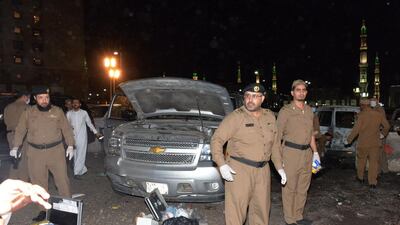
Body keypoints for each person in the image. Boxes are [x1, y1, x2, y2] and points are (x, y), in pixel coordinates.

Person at [211, 83, 286, 225]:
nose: (250, 100)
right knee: (236, 213)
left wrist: (279, 167)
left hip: (263, 171)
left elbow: (275, 144)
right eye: (247, 96)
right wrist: (221, 164)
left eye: (255, 96)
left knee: (261, 211)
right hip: (239, 170)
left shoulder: (270, 116)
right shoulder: (236, 117)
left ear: (263, 98)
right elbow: (216, 140)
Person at [10, 86, 75, 221]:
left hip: (55, 152)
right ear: (35, 99)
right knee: (39, 184)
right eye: (41, 98)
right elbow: (21, 129)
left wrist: (70, 145)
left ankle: (68, 209)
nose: (44, 100)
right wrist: (15, 147)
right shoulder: (28, 112)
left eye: (46, 97)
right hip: (35, 153)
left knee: (62, 181)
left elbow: (66, 129)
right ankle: (43, 210)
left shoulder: (57, 111)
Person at [277, 79, 320, 225]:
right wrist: (279, 159)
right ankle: (289, 219)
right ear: (292, 93)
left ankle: (298, 216)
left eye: (303, 90)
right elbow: (277, 137)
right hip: (290, 153)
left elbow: (310, 135)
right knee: (290, 188)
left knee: (303, 187)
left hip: (307, 153)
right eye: (298, 90)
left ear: (306, 92)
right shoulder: (285, 111)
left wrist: (315, 153)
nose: (301, 92)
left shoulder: (309, 111)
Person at [346, 98, 390, 189]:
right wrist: (383, 134)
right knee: (374, 163)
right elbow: (387, 126)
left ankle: (360, 178)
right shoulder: (378, 115)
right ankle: (373, 182)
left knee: (361, 161)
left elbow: (356, 130)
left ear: (362, 105)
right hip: (375, 143)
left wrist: (349, 140)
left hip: (363, 143)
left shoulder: (361, 115)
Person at [66, 98, 101, 178]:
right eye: (74, 103)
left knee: (81, 154)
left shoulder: (84, 113)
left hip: (82, 136)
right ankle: (81, 169)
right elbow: (66, 125)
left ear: (80, 104)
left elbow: (89, 123)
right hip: (73, 136)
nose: (75, 104)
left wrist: (96, 132)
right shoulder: (69, 113)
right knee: (75, 154)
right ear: (72, 104)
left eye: (77, 103)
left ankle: (77, 173)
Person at [3, 91, 31, 181]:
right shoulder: (27, 108)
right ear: (24, 96)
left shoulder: (8, 107)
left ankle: (12, 181)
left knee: (15, 160)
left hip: (10, 135)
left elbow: (6, 121)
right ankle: (23, 184)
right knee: (24, 162)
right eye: (28, 97)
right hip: (23, 136)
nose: (28, 99)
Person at [370, 97, 389, 174]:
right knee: (381, 152)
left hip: (379, 133)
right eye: (371, 101)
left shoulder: (378, 109)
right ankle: (385, 169)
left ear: (376, 102)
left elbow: (381, 122)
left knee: (378, 152)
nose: (371, 103)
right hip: (380, 132)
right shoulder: (377, 108)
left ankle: (378, 171)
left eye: (373, 101)